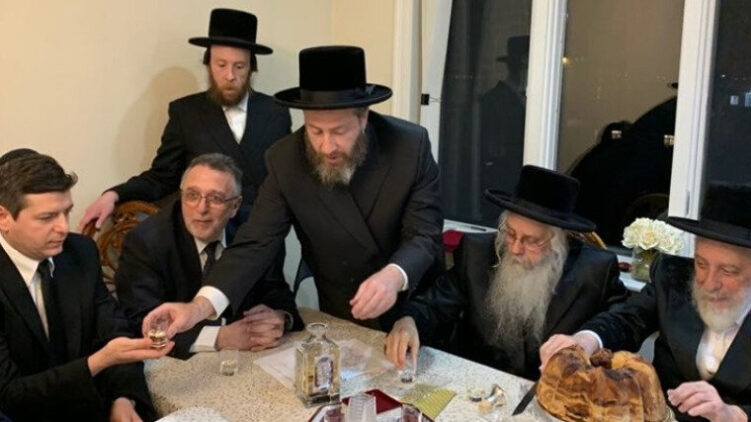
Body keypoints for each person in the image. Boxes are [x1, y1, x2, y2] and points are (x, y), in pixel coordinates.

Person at [142, 45, 444, 336]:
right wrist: (198, 307)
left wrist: (393, 276)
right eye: (315, 131)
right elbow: (256, 242)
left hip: (415, 305)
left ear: (363, 117)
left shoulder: (409, 146)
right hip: (344, 309)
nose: (326, 146)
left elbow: (424, 235)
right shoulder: (285, 159)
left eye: (339, 131)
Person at [386, 165, 628, 380]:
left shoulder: (595, 269)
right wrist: (409, 320)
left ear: (559, 241)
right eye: (510, 233)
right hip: (476, 386)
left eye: (531, 241)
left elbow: (623, 324)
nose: (514, 249)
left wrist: (587, 340)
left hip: (550, 393)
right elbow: (432, 306)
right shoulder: (477, 252)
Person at [539, 183, 751, 421]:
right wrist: (583, 341)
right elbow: (627, 319)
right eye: (701, 263)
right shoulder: (673, 276)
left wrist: (733, 414)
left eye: (728, 271)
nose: (709, 282)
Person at [78, 8, 291, 236]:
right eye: (221, 65)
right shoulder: (186, 113)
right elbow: (162, 177)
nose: (230, 75)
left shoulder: (275, 112)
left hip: (262, 239)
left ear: (251, 69)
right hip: (203, 239)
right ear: (208, 65)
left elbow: (287, 181)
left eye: (239, 66)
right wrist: (114, 194)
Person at [0, 150, 172, 422]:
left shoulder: (79, 252)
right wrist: (99, 361)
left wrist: (123, 397)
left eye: (66, 212)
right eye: (47, 217)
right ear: (3, 217)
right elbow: (9, 396)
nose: (63, 227)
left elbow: (114, 331)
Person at [114, 153, 303, 359]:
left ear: (235, 206)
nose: (201, 209)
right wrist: (220, 337)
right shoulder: (145, 241)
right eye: (192, 195)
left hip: (251, 355)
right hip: (178, 360)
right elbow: (140, 320)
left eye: (216, 198)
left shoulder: (256, 231)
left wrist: (279, 318)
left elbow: (275, 289)